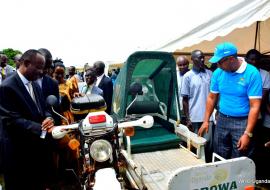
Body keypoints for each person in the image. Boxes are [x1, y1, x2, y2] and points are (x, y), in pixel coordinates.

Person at [0, 49, 55, 190]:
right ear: (25, 63)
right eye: (39, 68)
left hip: (35, 152)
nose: (42, 72)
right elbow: (11, 120)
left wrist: (48, 118)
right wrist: (41, 128)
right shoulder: (7, 87)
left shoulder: (34, 84)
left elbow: (44, 108)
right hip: (18, 154)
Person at [198, 42, 262, 159]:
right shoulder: (218, 73)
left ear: (231, 59)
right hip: (222, 119)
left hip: (243, 122)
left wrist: (247, 133)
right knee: (219, 155)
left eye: (220, 62)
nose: (217, 65)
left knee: (240, 157)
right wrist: (206, 120)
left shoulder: (252, 73)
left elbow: (255, 106)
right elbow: (212, 97)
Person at [181, 50, 214, 162]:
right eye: (199, 58)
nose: (202, 60)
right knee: (195, 145)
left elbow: (215, 95)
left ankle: (208, 167)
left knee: (208, 145)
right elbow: (185, 99)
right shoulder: (187, 76)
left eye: (203, 57)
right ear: (192, 60)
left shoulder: (210, 74)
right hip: (194, 118)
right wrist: (188, 119)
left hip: (208, 117)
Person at [38, 48, 61, 125]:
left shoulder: (53, 83)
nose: (47, 70)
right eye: (44, 67)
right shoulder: (25, 82)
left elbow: (56, 109)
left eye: (49, 67)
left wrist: (52, 120)